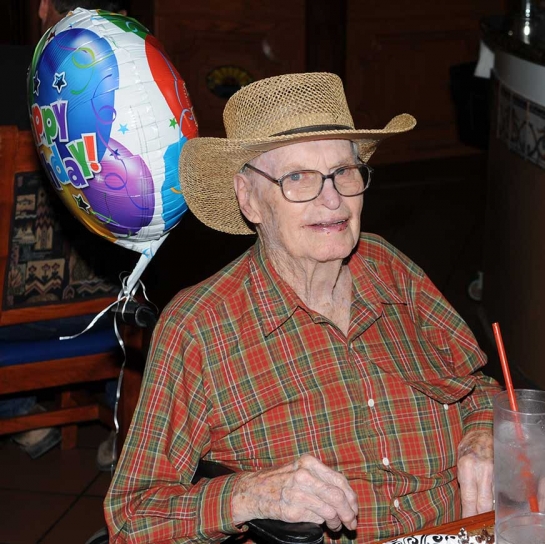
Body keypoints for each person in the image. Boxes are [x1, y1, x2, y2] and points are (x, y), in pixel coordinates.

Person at [105, 72, 502, 543]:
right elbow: (131, 516)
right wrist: (250, 495)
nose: (332, 200)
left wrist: (484, 434)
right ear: (249, 198)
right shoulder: (199, 325)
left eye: (344, 173)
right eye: (298, 178)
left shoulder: (390, 268)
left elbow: (478, 387)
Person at [0, 0, 131, 462]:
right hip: (110, 317)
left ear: (41, 8)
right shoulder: (140, 79)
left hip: (10, 326)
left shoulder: (9, 69)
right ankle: (126, 412)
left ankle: (18, 406)